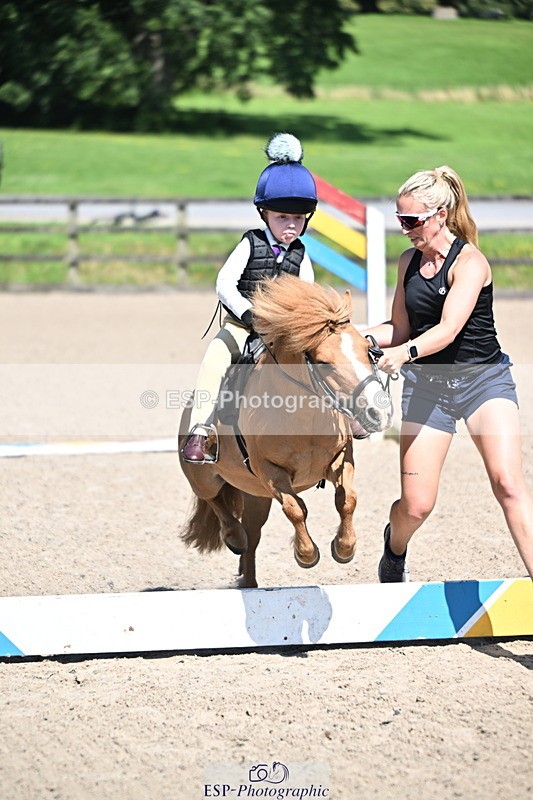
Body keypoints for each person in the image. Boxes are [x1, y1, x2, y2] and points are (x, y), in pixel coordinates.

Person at [364, 165, 533, 582]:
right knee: (416, 505)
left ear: (440, 214)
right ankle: (394, 547)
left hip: (483, 382)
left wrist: (405, 353)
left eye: (411, 220)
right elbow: (399, 328)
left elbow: (447, 329)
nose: (404, 229)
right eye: (400, 220)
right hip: (428, 388)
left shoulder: (471, 262)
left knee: (509, 486)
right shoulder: (407, 262)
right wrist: (349, 336)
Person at [181, 133, 317, 463]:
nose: (291, 225)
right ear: (265, 214)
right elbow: (224, 283)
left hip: (282, 332)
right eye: (282, 217)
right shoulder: (250, 244)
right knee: (216, 356)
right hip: (242, 326)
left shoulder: (302, 254)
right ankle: (200, 431)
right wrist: (248, 316)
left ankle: (338, 421)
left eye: (298, 218)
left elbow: (308, 296)